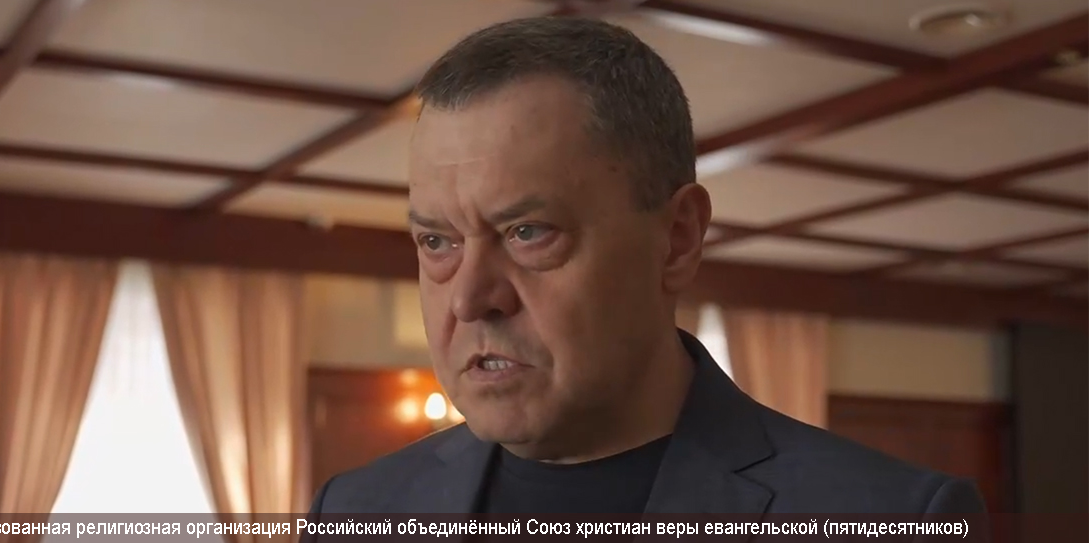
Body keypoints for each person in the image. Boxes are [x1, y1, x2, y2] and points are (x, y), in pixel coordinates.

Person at [307, 16, 987, 517]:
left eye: (527, 232)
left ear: (678, 239)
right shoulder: (356, 508)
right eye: (437, 242)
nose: (469, 298)